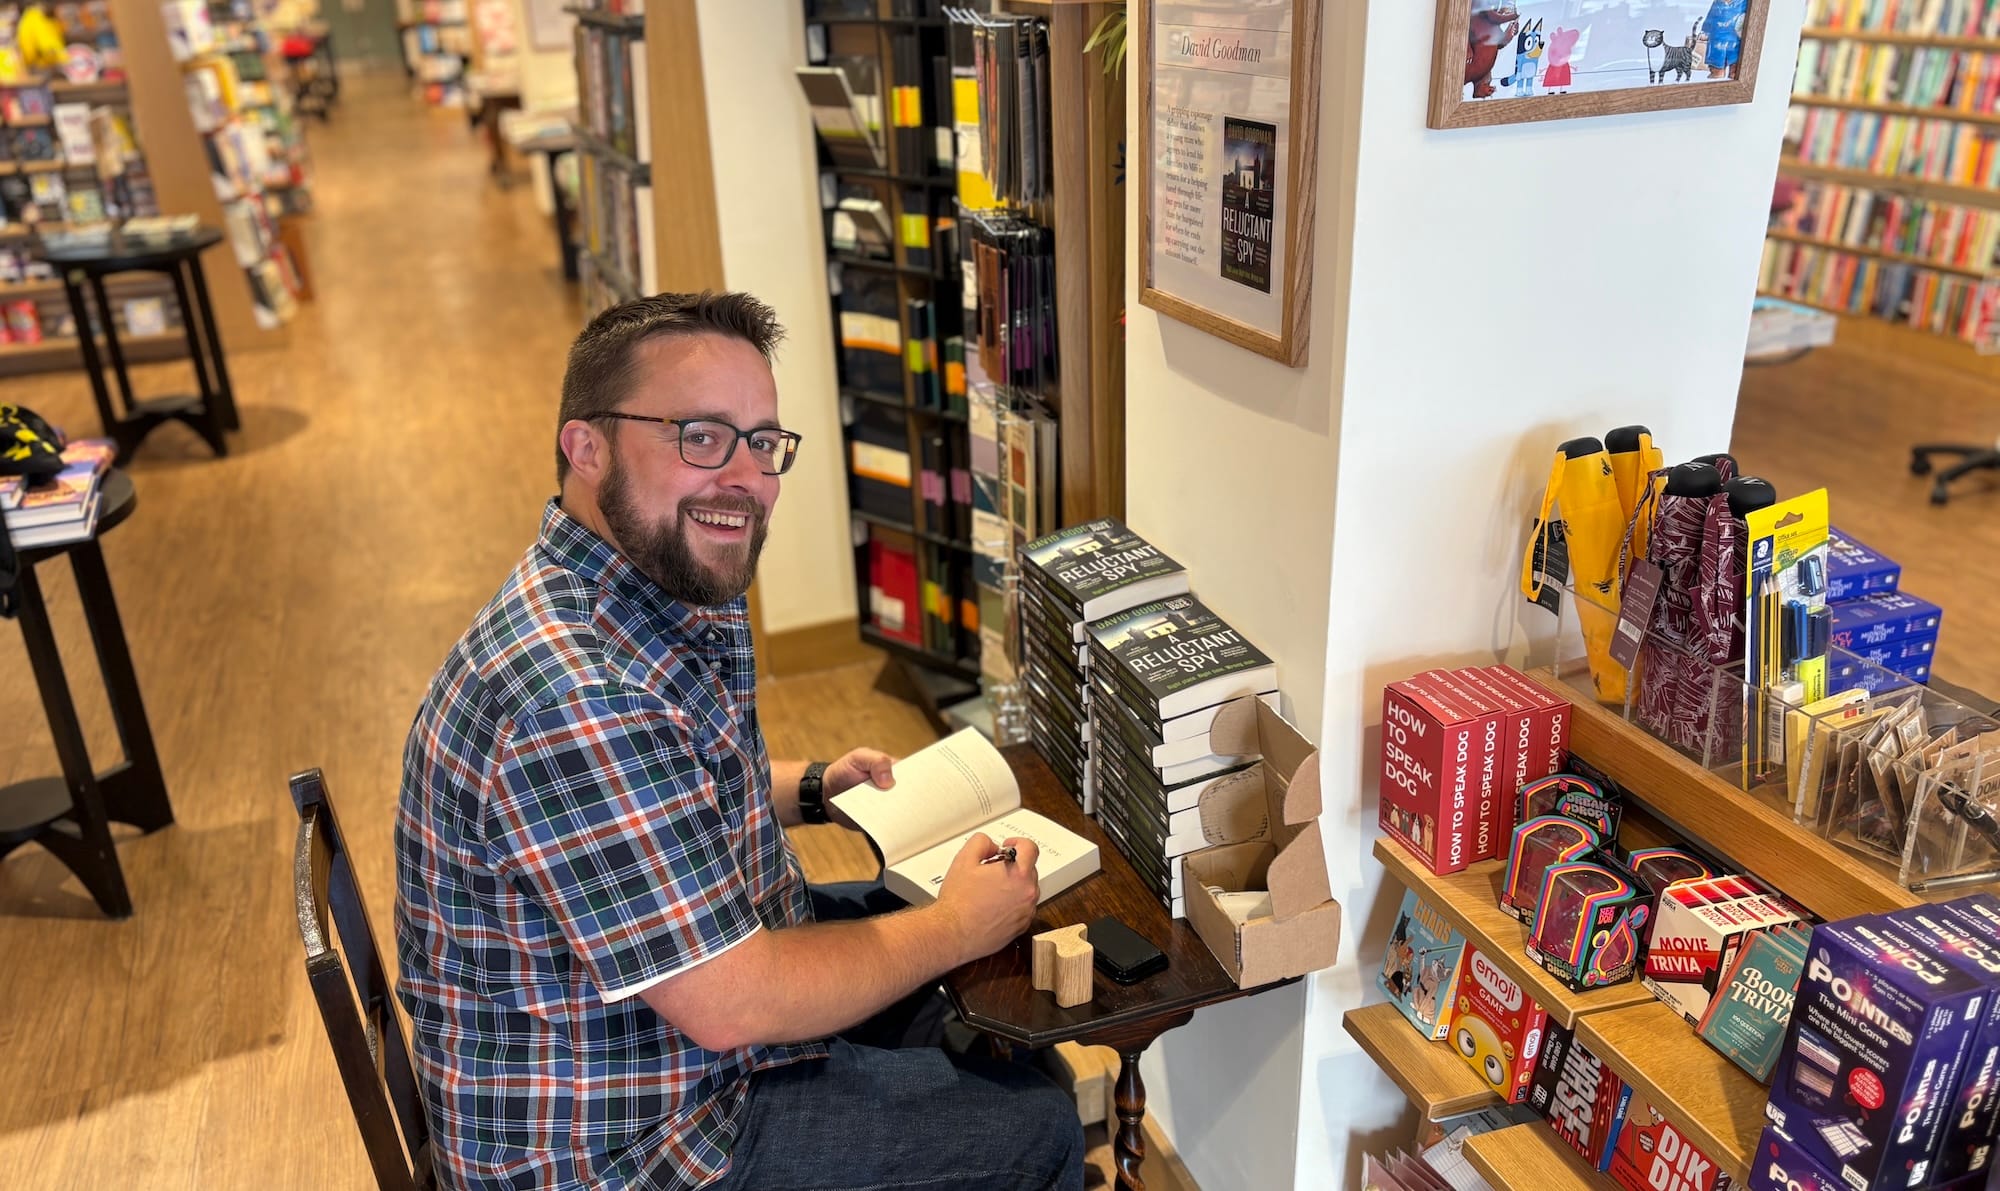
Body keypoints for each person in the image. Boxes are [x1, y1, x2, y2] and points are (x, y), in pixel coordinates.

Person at [395, 291, 1085, 1191]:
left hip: (656, 1037)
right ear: (586, 445)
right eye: (701, 436)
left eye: (763, 442)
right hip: (627, 1141)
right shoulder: (576, 692)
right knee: (1036, 1125)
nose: (745, 476)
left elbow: (665, 792)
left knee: (991, 1022)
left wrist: (809, 788)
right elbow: (736, 1000)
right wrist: (953, 925)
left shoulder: (646, 586)